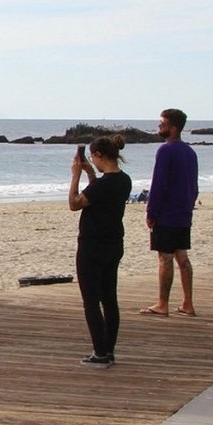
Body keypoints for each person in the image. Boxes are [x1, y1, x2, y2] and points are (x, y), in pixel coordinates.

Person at [67, 136, 132, 367]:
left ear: (99, 156)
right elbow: (97, 194)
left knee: (91, 301)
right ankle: (108, 350)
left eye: (93, 157)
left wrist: (76, 174)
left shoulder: (102, 186)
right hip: (113, 244)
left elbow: (74, 203)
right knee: (109, 299)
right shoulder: (124, 180)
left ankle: (100, 352)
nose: (92, 161)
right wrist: (89, 174)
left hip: (92, 246)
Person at [140, 108, 200, 317]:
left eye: (162, 124)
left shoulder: (165, 150)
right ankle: (188, 303)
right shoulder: (190, 152)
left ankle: (162, 304)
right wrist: (189, 206)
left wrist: (151, 211)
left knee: (165, 258)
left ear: (173, 128)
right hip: (184, 213)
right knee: (182, 257)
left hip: (167, 213)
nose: (159, 127)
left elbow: (159, 184)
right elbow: (194, 186)